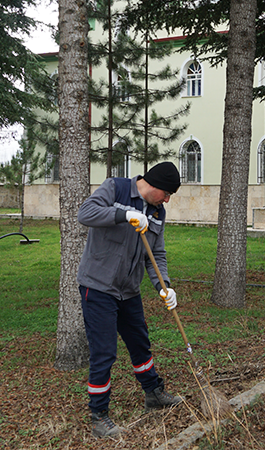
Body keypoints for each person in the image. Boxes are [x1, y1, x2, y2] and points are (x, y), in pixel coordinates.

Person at [76, 161, 184, 438]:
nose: (168, 199)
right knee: (104, 353)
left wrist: (164, 287)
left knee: (140, 343)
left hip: (128, 290)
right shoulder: (115, 188)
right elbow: (85, 213)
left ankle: (153, 393)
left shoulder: (158, 211)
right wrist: (124, 215)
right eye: (167, 193)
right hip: (98, 287)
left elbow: (155, 254)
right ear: (154, 185)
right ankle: (99, 416)